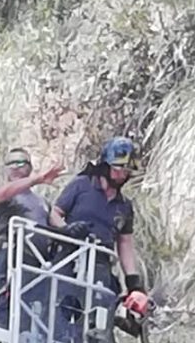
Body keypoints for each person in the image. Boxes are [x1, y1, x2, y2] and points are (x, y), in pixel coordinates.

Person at [49, 136, 149, 317]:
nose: (122, 175)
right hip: (69, 256)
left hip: (101, 265)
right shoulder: (81, 185)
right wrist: (67, 230)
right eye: (118, 169)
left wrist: (133, 282)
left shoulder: (124, 206)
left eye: (126, 170)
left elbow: (125, 244)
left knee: (101, 316)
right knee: (60, 309)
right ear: (105, 166)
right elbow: (55, 213)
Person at [0, 148, 63, 324]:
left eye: (20, 162)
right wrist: (38, 179)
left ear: (29, 167)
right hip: (11, 257)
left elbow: (59, 224)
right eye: (10, 163)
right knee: (8, 308)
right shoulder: (0, 192)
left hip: (39, 263)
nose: (15, 166)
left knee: (35, 313)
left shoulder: (42, 203)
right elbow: (1, 194)